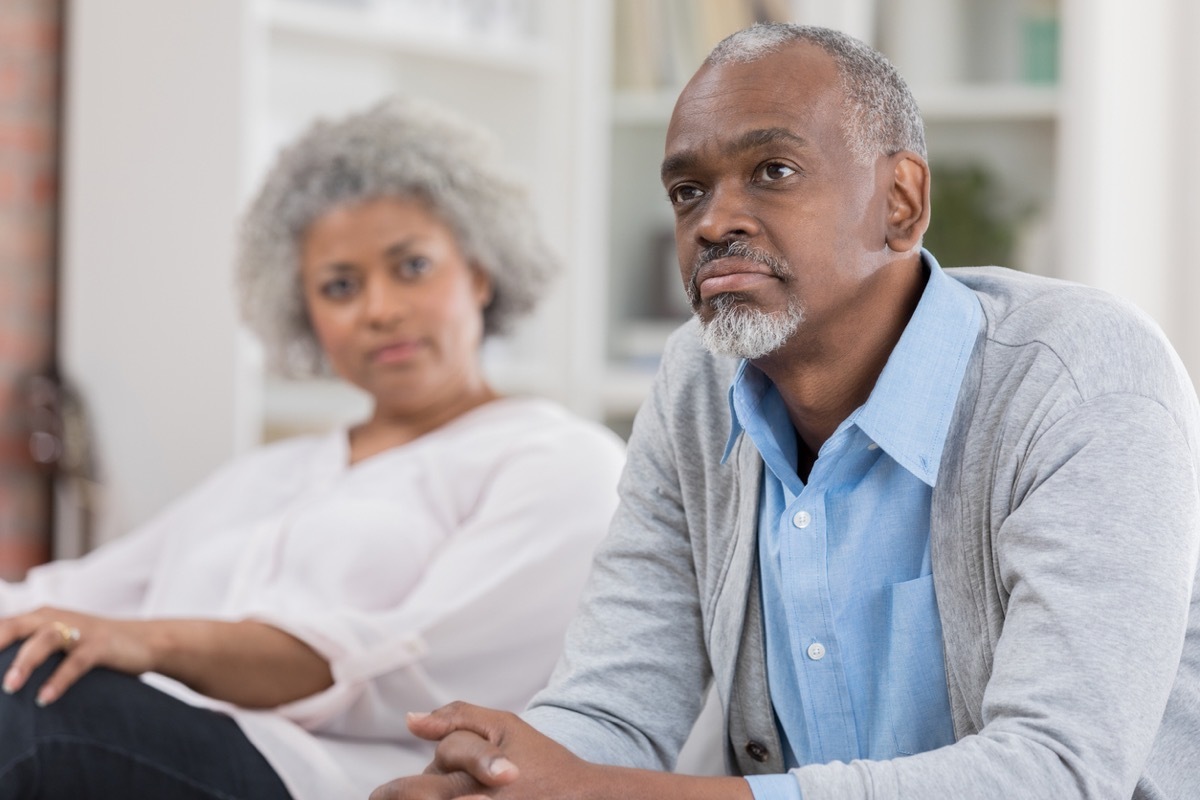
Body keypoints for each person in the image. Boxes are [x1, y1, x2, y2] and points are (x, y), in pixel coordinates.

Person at [371, 23, 1200, 800]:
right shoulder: (696, 383)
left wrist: (604, 793)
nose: (714, 222)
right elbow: (616, 706)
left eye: (773, 171)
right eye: (687, 191)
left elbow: (1056, 773)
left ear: (901, 202)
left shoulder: (1082, 375)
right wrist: (498, 778)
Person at [0, 97, 626, 800]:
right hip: (148, 744)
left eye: (411, 266)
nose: (379, 308)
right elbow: (58, 601)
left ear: (479, 272)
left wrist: (153, 643)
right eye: (340, 286)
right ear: (305, 312)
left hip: (314, 779)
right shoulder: (268, 475)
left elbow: (404, 671)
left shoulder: (560, 461)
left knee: (25, 707)